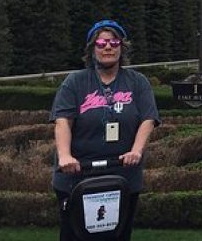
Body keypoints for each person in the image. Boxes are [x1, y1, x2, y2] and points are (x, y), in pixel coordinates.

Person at [51, 19, 160, 241]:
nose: (107, 47)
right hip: (77, 175)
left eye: (113, 42)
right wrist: (64, 156)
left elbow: (148, 119)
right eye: (100, 43)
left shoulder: (137, 82)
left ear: (122, 47)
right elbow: (63, 121)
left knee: (118, 234)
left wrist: (136, 151)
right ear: (92, 49)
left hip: (123, 174)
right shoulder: (75, 82)